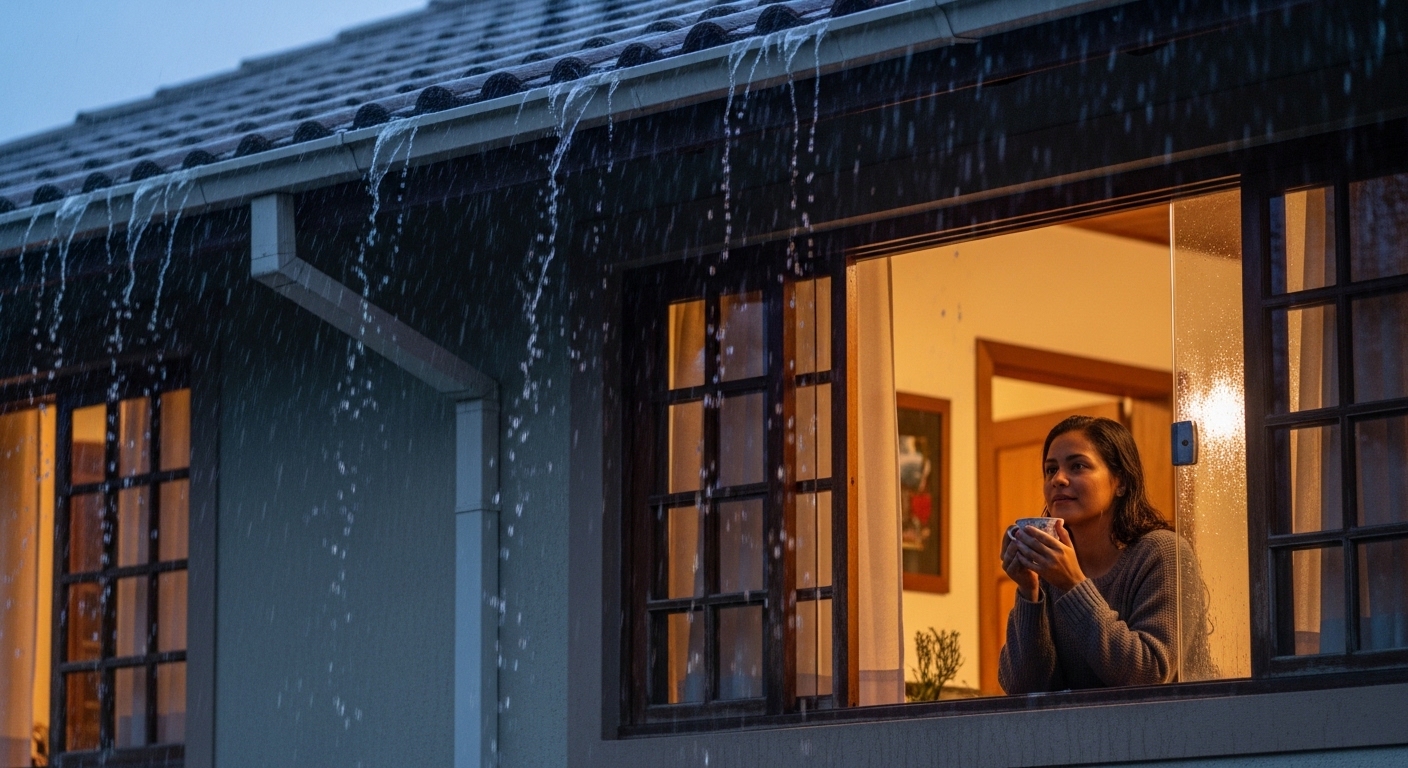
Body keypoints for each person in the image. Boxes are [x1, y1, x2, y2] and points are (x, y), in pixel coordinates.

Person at [998, 415, 1210, 693]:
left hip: (1163, 732)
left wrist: (1074, 586)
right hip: (1077, 735)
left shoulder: (1161, 553)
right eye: (1051, 470)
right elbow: (1024, 688)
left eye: (1078, 466)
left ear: (1120, 481)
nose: (1058, 480)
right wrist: (1029, 592)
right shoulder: (1050, 569)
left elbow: (1148, 675)